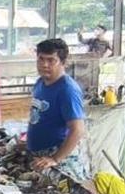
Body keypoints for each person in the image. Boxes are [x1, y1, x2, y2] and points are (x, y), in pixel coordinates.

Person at [27, 38, 88, 180]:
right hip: (40, 156)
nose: (44, 65)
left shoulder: (67, 90)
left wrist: (55, 158)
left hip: (60, 159)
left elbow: (77, 129)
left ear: (63, 63)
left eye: (51, 60)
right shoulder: (40, 83)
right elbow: (38, 115)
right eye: (41, 59)